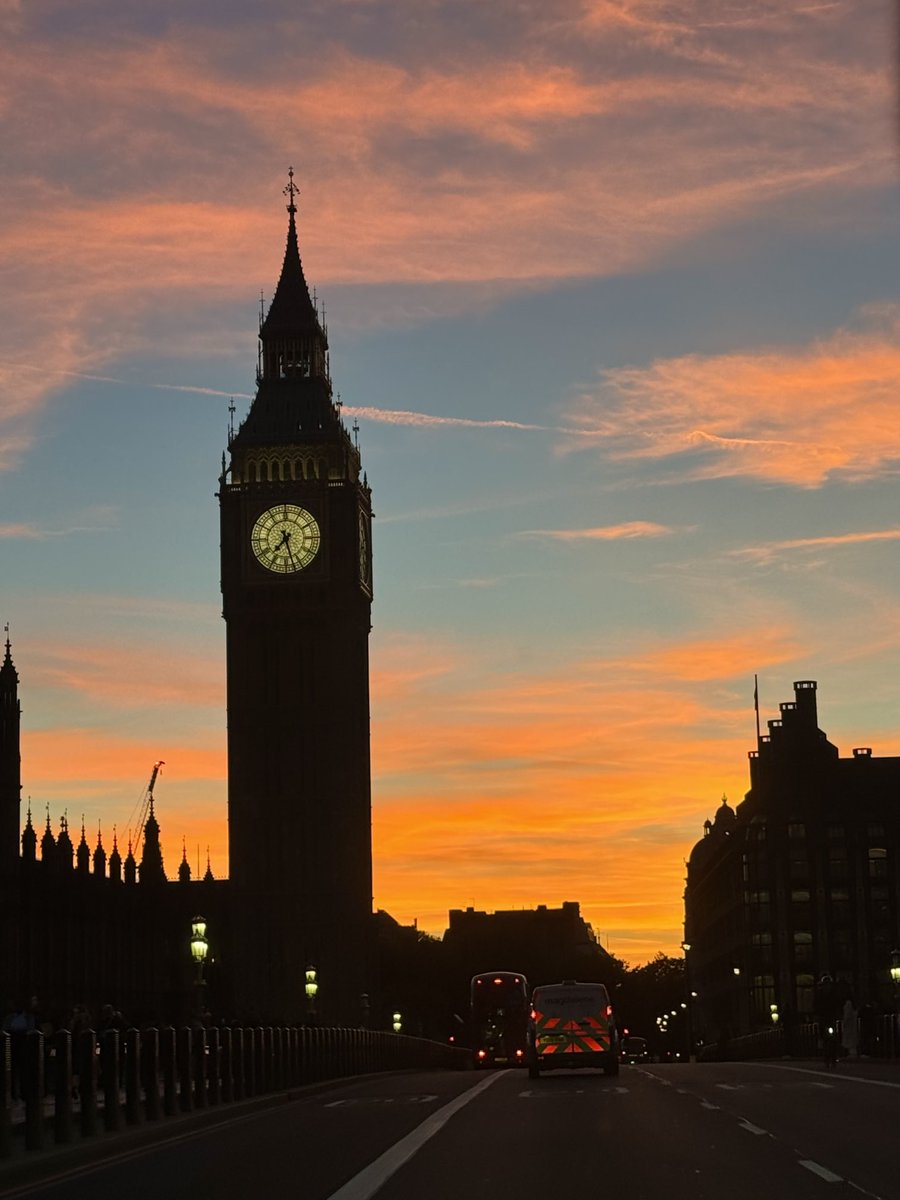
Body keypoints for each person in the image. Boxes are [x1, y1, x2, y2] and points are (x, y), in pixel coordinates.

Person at [816, 974, 841, 1068]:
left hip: (831, 1018)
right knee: (824, 1037)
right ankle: (826, 1056)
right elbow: (816, 1006)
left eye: (828, 985)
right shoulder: (819, 995)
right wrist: (817, 1015)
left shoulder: (834, 994)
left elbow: (837, 1004)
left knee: (833, 1038)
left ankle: (833, 1057)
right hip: (823, 1018)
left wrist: (838, 1014)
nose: (827, 986)